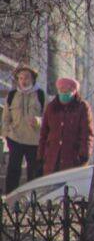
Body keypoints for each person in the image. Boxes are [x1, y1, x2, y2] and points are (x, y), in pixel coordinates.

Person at [38, 77, 94, 177]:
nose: (64, 94)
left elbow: (87, 133)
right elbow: (44, 133)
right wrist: (41, 155)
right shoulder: (51, 107)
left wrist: (84, 155)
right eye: (61, 90)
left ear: (74, 91)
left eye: (67, 91)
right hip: (52, 158)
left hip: (72, 158)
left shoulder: (82, 107)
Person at [2, 65, 45, 193]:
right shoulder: (12, 95)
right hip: (15, 138)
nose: (23, 80)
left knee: (34, 171)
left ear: (33, 79)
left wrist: (38, 121)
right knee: (13, 170)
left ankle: (34, 199)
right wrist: (6, 133)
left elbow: (47, 118)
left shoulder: (40, 95)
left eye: (26, 77)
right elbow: (5, 117)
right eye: (20, 78)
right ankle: (11, 200)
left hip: (34, 140)